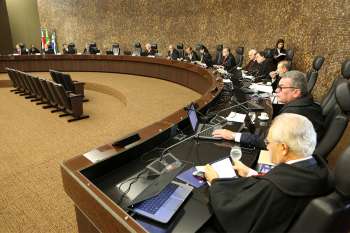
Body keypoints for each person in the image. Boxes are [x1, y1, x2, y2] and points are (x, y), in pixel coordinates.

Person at [204, 113, 332, 233]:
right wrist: (250, 172)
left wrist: (215, 182)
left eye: (268, 142)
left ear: (283, 148)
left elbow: (233, 213)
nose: (267, 147)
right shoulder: (317, 167)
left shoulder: (274, 188)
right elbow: (281, 182)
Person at [213, 70, 325, 148]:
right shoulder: (306, 103)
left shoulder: (294, 116)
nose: (276, 91)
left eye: (281, 88)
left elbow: (268, 142)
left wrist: (233, 135)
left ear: (296, 92)